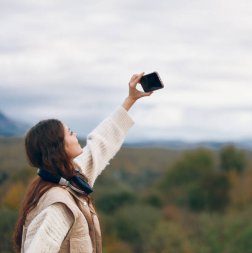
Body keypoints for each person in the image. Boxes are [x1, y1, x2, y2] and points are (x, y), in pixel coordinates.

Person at [13, 73, 152, 252]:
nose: (75, 134)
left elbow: (101, 142)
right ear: (58, 147)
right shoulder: (58, 205)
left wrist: (130, 99)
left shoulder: (71, 178)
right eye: (69, 132)